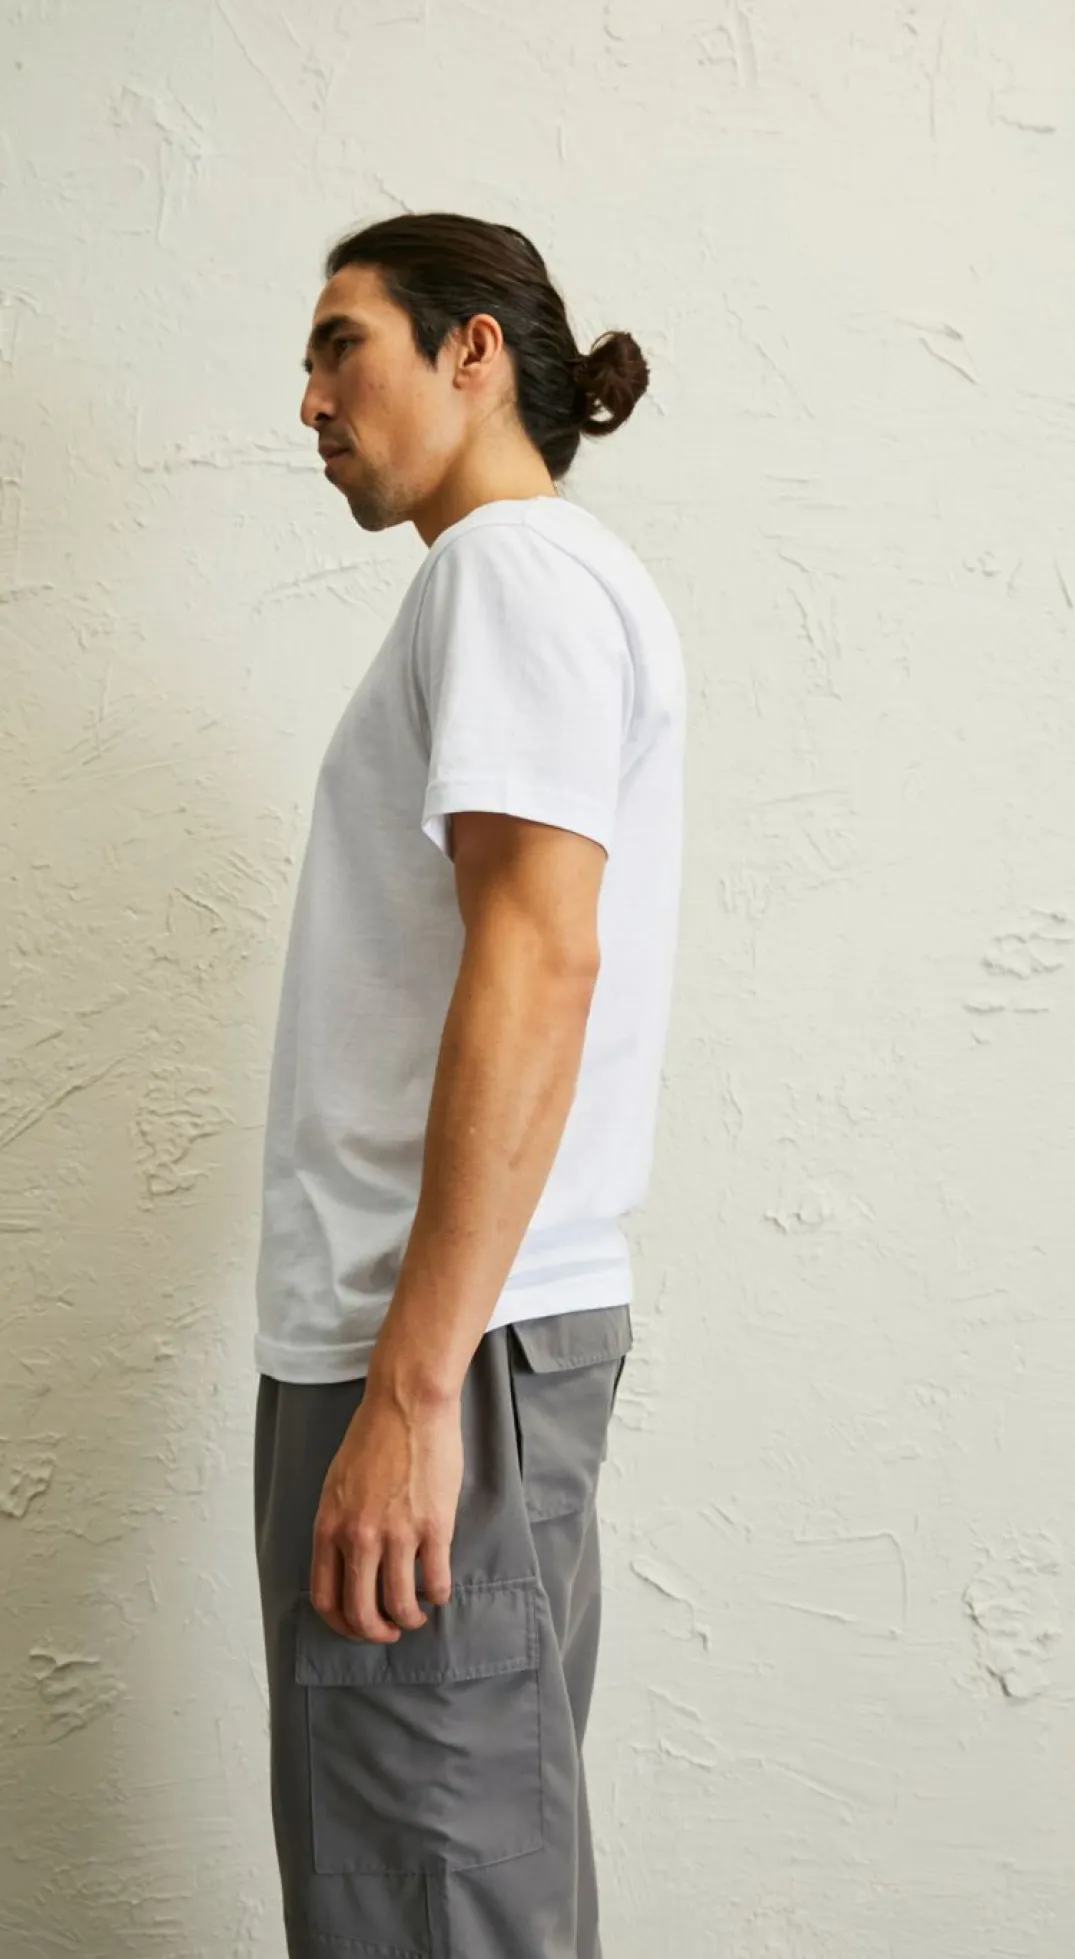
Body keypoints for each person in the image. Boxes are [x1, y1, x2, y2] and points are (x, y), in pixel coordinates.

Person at [251, 212, 686, 1959]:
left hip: (442, 1358)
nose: (309, 399)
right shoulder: (530, 582)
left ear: (473, 352)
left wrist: (415, 1388)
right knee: (441, 1889)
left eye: (341, 344)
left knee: (429, 1906)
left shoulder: (508, 572)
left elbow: (539, 958)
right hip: (457, 1351)